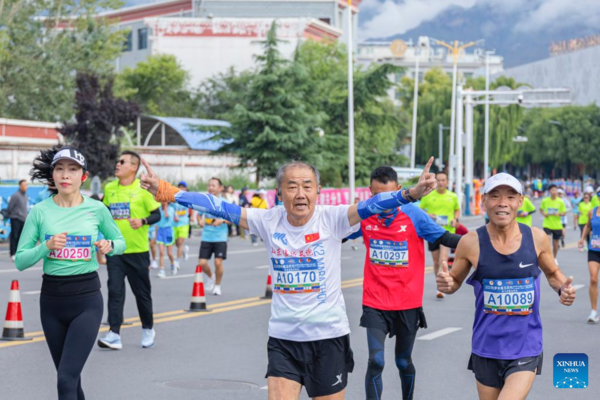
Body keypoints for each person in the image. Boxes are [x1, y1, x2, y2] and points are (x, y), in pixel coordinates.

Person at [139, 157, 438, 400]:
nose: (300, 193)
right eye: (291, 186)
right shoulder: (268, 220)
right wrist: (167, 191)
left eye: (307, 186)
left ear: (318, 191)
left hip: (328, 339)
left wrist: (410, 193)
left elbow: (374, 204)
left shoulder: (332, 218)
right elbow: (219, 207)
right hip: (284, 340)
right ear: (279, 193)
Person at [437, 173, 576, 400]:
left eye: (510, 197)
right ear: (483, 201)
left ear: (520, 201)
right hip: (486, 346)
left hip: (525, 345)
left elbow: (553, 273)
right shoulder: (471, 242)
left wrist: (564, 290)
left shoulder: (537, 238)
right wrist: (447, 283)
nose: (502, 203)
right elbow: (454, 282)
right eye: (495, 196)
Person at [15, 146, 125, 399]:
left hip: (86, 300)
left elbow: (120, 242)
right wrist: (46, 246)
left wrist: (109, 245)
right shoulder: (40, 211)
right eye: (60, 169)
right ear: (53, 175)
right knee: (70, 382)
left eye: (72, 170)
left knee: (65, 379)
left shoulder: (96, 209)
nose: (66, 175)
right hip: (52, 302)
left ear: (83, 177)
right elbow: (21, 260)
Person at [346, 167, 462, 400]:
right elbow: (330, 231)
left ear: (399, 190)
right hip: (375, 302)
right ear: (370, 193)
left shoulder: (413, 215)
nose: (383, 203)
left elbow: (444, 238)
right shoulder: (365, 215)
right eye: (377, 197)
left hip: (407, 303)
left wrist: (484, 242)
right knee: (376, 361)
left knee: (402, 361)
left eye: (388, 196)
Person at [98, 150, 161, 350]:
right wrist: (101, 243)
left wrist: (142, 220)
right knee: (115, 291)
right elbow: (103, 215)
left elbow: (157, 215)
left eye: (122, 162)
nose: (117, 164)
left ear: (133, 167)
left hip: (138, 250)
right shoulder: (110, 188)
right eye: (118, 161)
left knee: (141, 293)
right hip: (116, 250)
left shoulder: (142, 190)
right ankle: (114, 334)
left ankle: (148, 329)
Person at [418, 172, 460, 299]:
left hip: (447, 232)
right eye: (439, 180)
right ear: (436, 182)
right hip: (432, 233)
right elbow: (420, 209)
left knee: (443, 259)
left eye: (443, 180)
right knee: (436, 261)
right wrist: (428, 215)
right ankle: (439, 284)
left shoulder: (452, 196)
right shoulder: (428, 196)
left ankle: (441, 289)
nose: (441, 182)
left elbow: (457, 210)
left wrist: (455, 219)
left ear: (447, 182)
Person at [197, 177, 230, 296]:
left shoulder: (224, 203)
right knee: (202, 263)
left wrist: (222, 221)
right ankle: (211, 277)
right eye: (209, 185)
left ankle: (217, 285)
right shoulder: (204, 202)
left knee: (218, 262)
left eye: (213, 185)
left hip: (220, 237)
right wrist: (200, 220)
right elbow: (199, 215)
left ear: (220, 188)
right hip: (206, 236)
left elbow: (233, 219)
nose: (211, 187)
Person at [578, 205, 600, 323]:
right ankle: (594, 311)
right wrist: (582, 238)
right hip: (594, 250)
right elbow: (587, 225)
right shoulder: (593, 211)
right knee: (593, 279)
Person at [540, 184, 566, 265]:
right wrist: (544, 214)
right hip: (547, 224)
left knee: (555, 244)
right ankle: (548, 258)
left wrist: (558, 213)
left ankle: (554, 258)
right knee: (547, 239)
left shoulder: (560, 201)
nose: (554, 192)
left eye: (555, 190)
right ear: (549, 191)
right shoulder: (545, 200)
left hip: (557, 225)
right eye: (552, 190)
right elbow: (541, 209)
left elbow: (564, 212)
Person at [7, 179, 29, 261]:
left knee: (21, 238)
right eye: (24, 185)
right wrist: (11, 215)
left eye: (27, 185)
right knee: (14, 237)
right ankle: (13, 253)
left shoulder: (26, 195)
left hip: (23, 220)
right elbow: (9, 207)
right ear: (20, 186)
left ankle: (19, 253)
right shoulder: (15, 195)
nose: (26, 187)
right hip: (15, 219)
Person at [156, 202, 177, 278]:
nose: (162, 202)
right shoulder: (158, 209)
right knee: (161, 252)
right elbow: (157, 223)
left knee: (169, 253)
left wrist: (165, 208)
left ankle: (173, 263)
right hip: (160, 231)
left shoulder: (171, 209)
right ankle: (162, 269)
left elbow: (167, 216)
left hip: (168, 231)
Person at [172, 181, 191, 265]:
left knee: (180, 242)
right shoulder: (173, 197)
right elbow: (170, 208)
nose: (181, 188)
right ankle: (183, 251)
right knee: (176, 243)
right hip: (174, 224)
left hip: (184, 223)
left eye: (183, 187)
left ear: (186, 189)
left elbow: (193, 208)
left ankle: (177, 260)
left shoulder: (188, 198)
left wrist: (193, 217)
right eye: (179, 186)